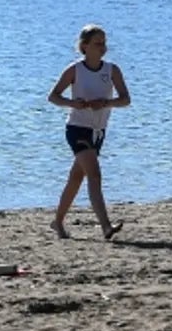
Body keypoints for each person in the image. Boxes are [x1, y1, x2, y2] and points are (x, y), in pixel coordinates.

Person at [47, 25, 130, 240]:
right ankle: (105, 226)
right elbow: (53, 96)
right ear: (85, 46)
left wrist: (106, 102)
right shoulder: (75, 70)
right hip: (77, 129)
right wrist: (74, 104)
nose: (103, 48)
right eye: (98, 43)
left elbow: (125, 99)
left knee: (76, 178)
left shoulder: (112, 70)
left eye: (104, 43)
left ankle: (57, 222)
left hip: (98, 131)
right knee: (94, 174)